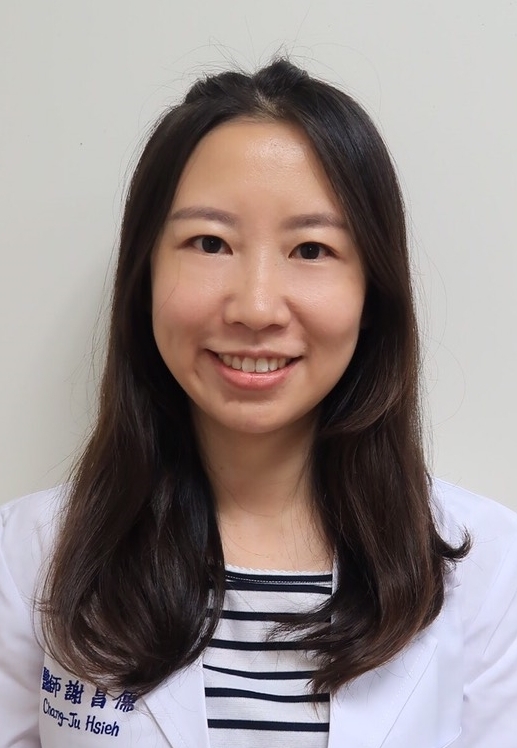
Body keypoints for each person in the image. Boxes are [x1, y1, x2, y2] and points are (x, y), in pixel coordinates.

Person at [1, 59, 516, 748]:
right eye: (209, 243)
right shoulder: (27, 558)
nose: (256, 307)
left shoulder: (488, 569)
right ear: (144, 275)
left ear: (372, 292)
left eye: (311, 249)